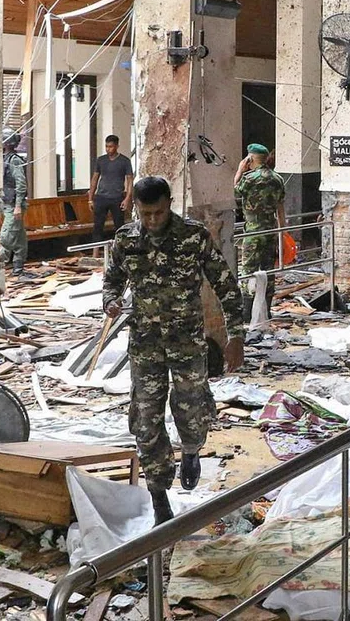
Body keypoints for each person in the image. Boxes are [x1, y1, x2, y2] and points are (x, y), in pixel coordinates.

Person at [103, 176, 245, 525]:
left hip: (187, 343)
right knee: (146, 420)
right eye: (146, 213)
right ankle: (158, 495)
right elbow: (112, 279)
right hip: (145, 344)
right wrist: (110, 300)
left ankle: (192, 450)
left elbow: (226, 284)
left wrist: (236, 336)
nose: (153, 221)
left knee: (191, 409)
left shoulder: (193, 237)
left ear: (170, 203)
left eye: (159, 212)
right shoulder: (125, 240)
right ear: (135, 207)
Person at [233, 143, 286, 317]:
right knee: (268, 271)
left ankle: (247, 312)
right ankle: (266, 311)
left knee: (248, 271)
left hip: (253, 232)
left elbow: (235, 190)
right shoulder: (278, 179)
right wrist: (282, 232)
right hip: (270, 231)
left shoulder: (249, 179)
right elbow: (280, 209)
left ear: (250, 158)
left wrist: (240, 170)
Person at [89, 134, 134, 254]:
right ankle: (95, 254)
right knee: (98, 226)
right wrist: (90, 198)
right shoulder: (101, 160)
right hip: (101, 197)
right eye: (107, 146)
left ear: (117, 146)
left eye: (111, 147)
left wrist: (127, 198)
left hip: (117, 198)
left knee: (119, 226)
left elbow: (130, 180)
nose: (108, 149)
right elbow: (95, 179)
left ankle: (120, 252)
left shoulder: (124, 161)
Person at [0, 127, 29, 276]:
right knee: (19, 240)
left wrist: (17, 206)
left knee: (6, 237)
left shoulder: (14, 160)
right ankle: (18, 270)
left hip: (14, 206)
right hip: (8, 204)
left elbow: (21, 184)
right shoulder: (5, 158)